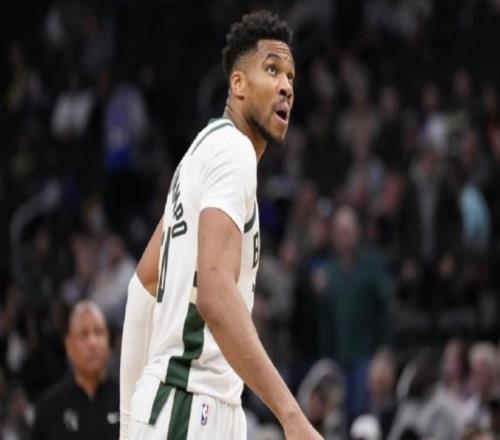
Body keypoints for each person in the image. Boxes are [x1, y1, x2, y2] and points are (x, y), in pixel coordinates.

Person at [119, 10, 322, 440]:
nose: (287, 86)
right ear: (238, 84)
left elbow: (143, 285)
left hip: (182, 406)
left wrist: (129, 419)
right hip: (191, 404)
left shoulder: (199, 154)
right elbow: (214, 293)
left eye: (291, 76)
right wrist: (291, 415)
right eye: (272, 70)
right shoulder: (233, 151)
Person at [32, 301, 119, 439]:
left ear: (108, 341)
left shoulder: (127, 399)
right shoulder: (49, 408)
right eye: (84, 335)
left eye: (99, 332)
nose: (92, 342)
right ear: (69, 345)